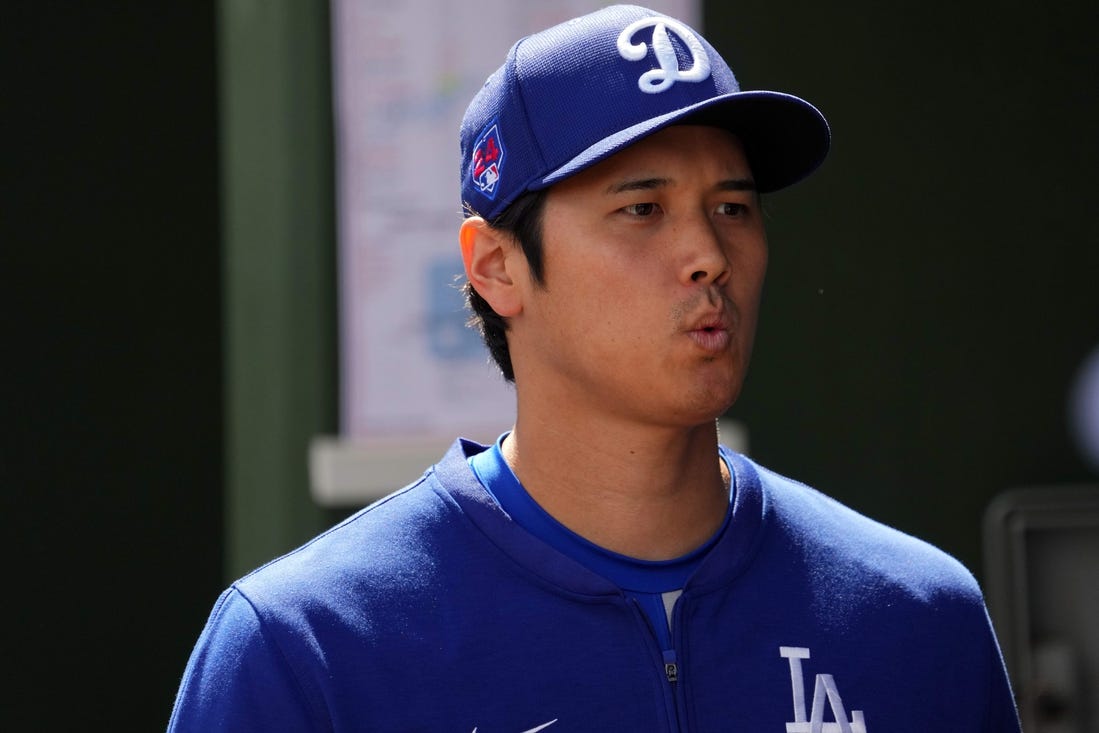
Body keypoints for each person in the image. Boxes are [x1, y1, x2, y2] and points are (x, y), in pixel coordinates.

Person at [168, 5, 1021, 731]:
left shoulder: (915, 616)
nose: (707, 255)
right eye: (641, 209)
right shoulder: (304, 647)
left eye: (732, 207)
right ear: (496, 267)